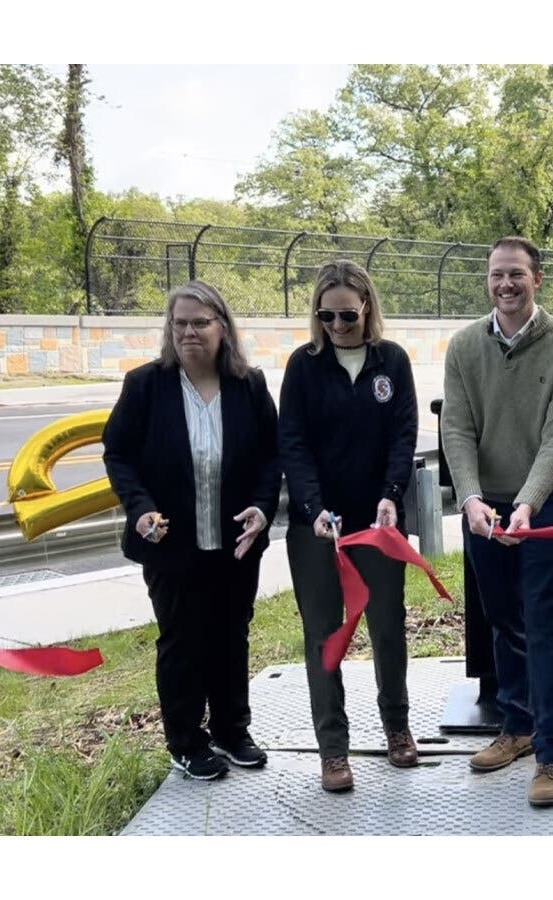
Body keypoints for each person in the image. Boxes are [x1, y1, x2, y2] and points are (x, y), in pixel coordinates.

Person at [102, 280, 280, 781]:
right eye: (179, 324)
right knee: (182, 640)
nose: (188, 333)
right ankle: (185, 741)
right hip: (170, 542)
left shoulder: (249, 385)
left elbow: (272, 457)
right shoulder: (145, 385)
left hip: (235, 542)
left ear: (223, 328)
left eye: (200, 323)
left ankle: (231, 730)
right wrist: (139, 507)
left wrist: (264, 508)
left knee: (231, 635)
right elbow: (118, 453)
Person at [441, 236, 553, 808]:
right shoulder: (462, 347)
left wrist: (527, 504)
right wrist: (472, 500)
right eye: (497, 275)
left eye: (517, 275)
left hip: (549, 500)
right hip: (486, 503)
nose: (506, 285)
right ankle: (518, 724)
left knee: (543, 618)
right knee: (501, 617)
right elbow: (455, 430)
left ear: (538, 279)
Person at [278, 259, 419, 794]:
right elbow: (292, 442)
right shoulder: (304, 366)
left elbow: (403, 434)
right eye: (326, 315)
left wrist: (391, 496)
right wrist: (313, 509)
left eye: (347, 315)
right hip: (317, 527)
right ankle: (333, 749)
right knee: (325, 635)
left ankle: (397, 726)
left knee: (387, 624)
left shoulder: (392, 362)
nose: (337, 325)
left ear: (366, 309)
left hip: (377, 521)